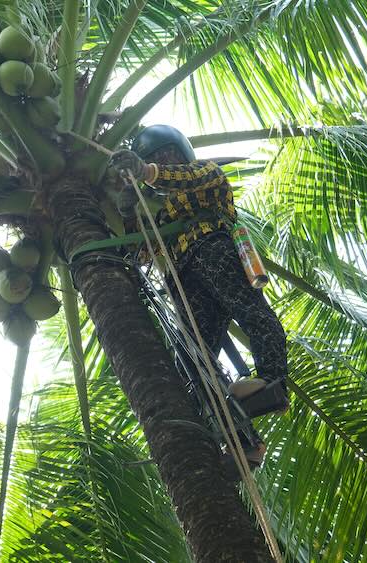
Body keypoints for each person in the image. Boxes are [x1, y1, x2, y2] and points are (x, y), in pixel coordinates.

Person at [109, 125, 289, 463]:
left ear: (182, 155)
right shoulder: (159, 213)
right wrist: (127, 209)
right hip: (182, 275)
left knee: (249, 309)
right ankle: (242, 439)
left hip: (212, 248)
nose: (164, 163)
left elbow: (187, 178)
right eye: (156, 159)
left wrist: (146, 171)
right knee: (193, 352)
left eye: (168, 157)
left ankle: (271, 377)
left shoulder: (208, 174)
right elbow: (142, 251)